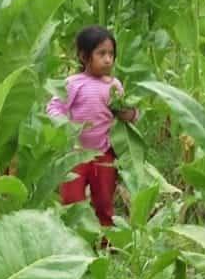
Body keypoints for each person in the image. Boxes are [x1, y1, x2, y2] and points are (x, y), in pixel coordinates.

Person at [46, 25, 138, 230]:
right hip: (75, 154)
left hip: (104, 154)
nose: (108, 59)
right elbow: (54, 106)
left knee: (104, 203)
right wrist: (64, 125)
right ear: (83, 56)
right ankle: (73, 243)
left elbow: (127, 113)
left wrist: (130, 114)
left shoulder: (115, 86)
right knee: (71, 202)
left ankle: (106, 244)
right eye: (101, 53)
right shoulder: (73, 83)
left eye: (111, 54)